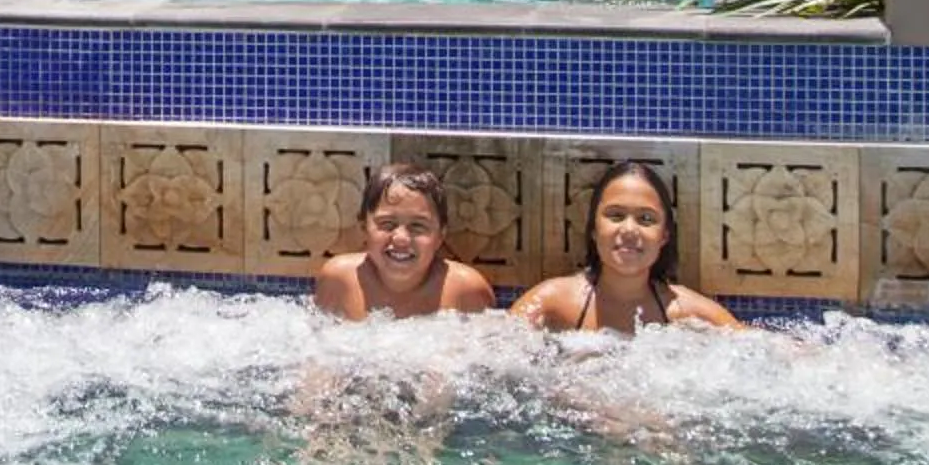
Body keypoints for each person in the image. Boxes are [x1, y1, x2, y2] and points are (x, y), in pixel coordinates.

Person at [510, 161, 739, 334]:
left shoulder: (689, 314)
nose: (629, 230)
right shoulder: (552, 304)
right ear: (593, 230)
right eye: (616, 215)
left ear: (664, 236)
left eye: (646, 219)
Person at [312, 163, 497, 320]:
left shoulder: (464, 290)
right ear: (364, 229)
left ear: (440, 236)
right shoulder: (339, 281)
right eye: (387, 224)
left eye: (417, 226)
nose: (401, 238)